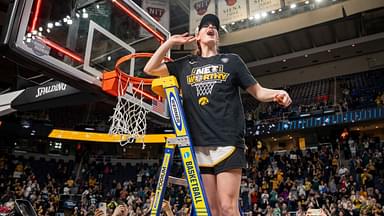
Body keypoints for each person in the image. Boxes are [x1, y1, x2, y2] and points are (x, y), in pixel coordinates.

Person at [144, 14, 291, 216]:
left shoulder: (232, 61)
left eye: (214, 26)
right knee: (210, 211)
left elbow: (258, 92)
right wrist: (170, 42)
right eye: (205, 26)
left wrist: (277, 94)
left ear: (218, 37)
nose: (211, 27)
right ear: (197, 35)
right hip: (198, 146)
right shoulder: (184, 65)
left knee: (227, 208)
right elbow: (149, 68)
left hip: (227, 142)